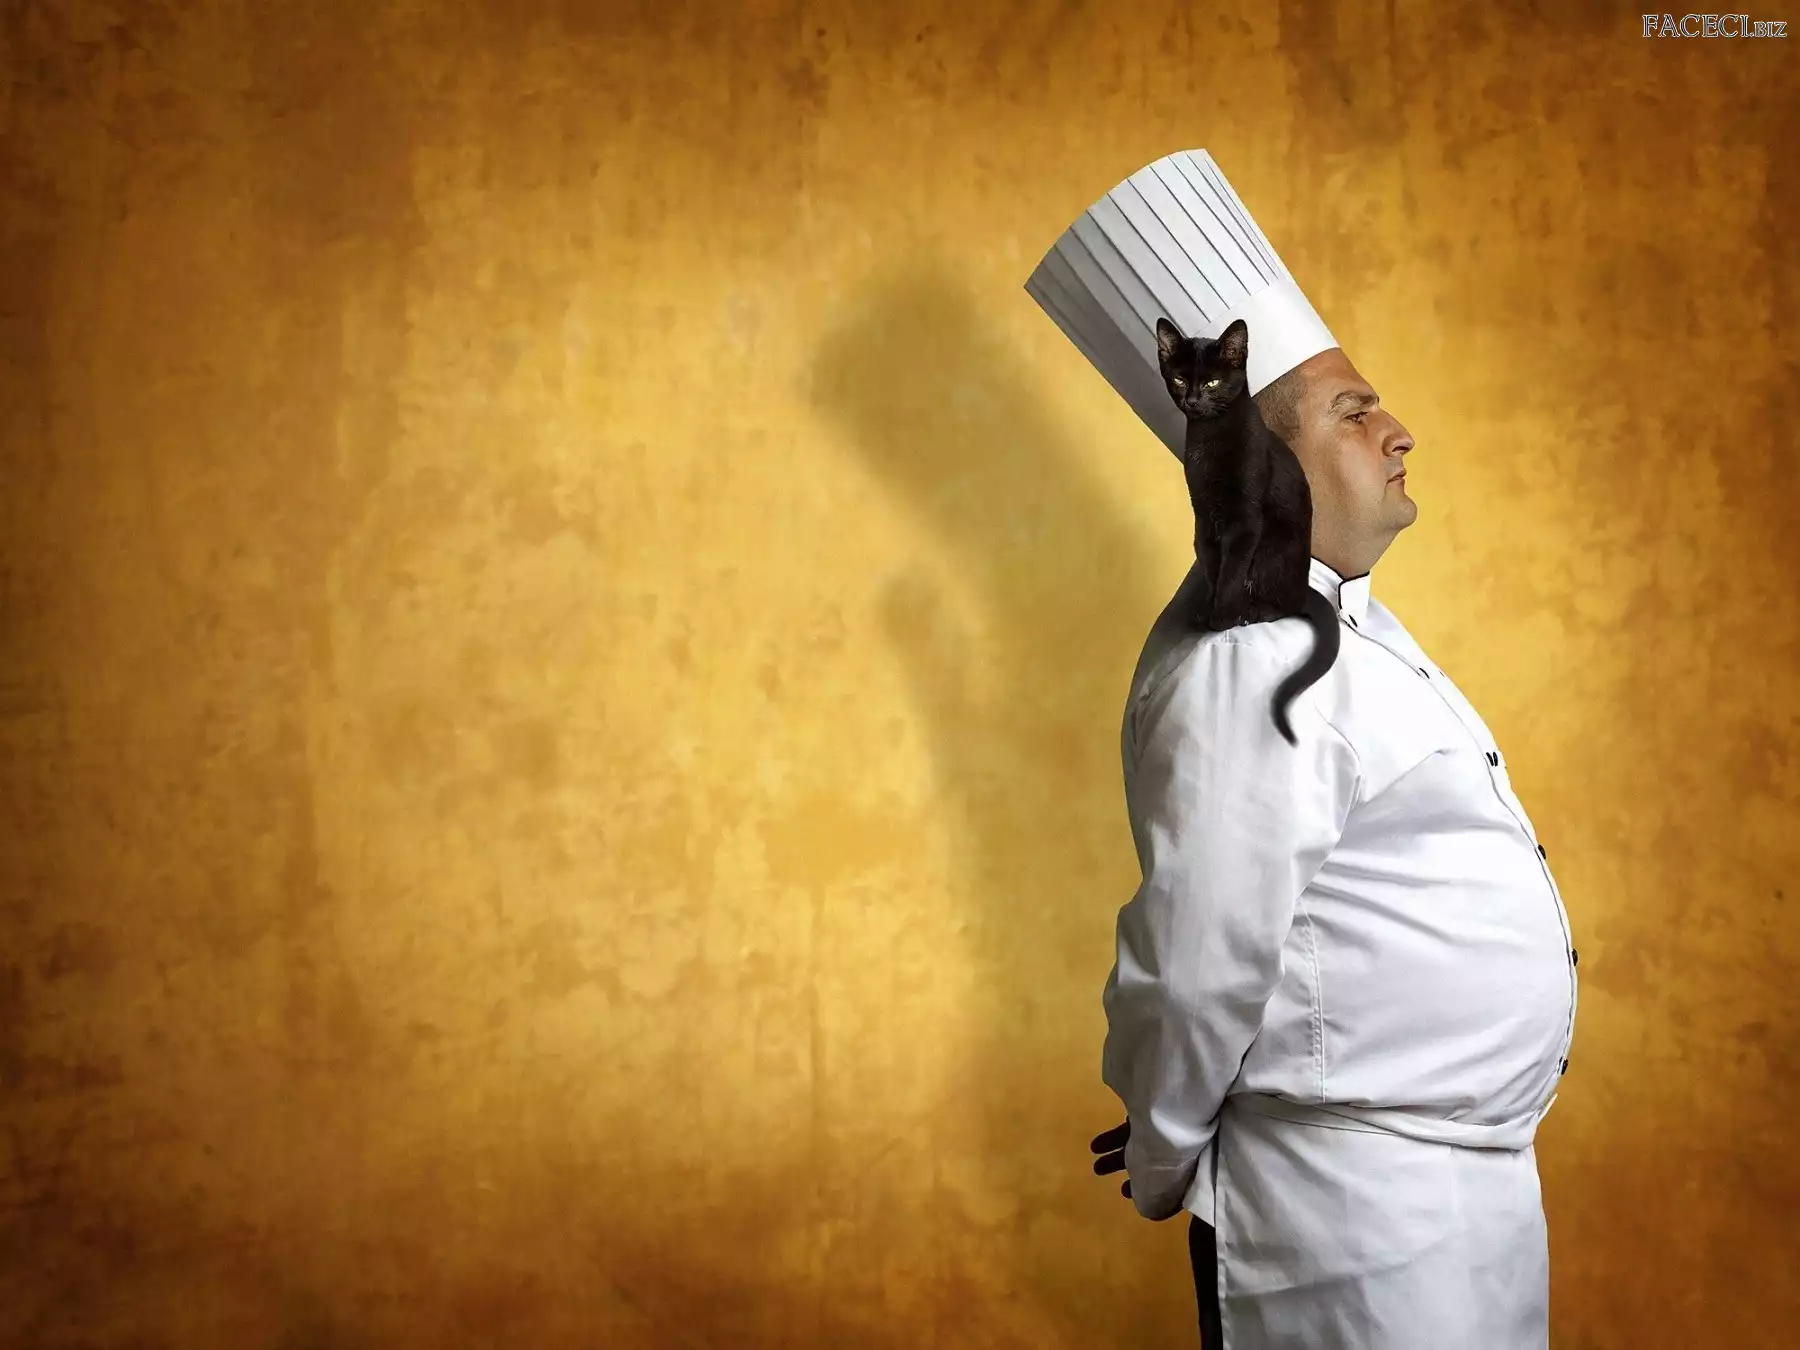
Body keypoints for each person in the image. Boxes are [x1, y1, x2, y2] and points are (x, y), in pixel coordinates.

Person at [1089, 343, 1578, 1348]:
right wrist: (1167, 1155)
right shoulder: (1251, 661)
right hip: (1345, 1221)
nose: (1398, 434)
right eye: (1353, 414)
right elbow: (1196, 957)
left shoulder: (1359, 630)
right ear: (1271, 461)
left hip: (1470, 1201)